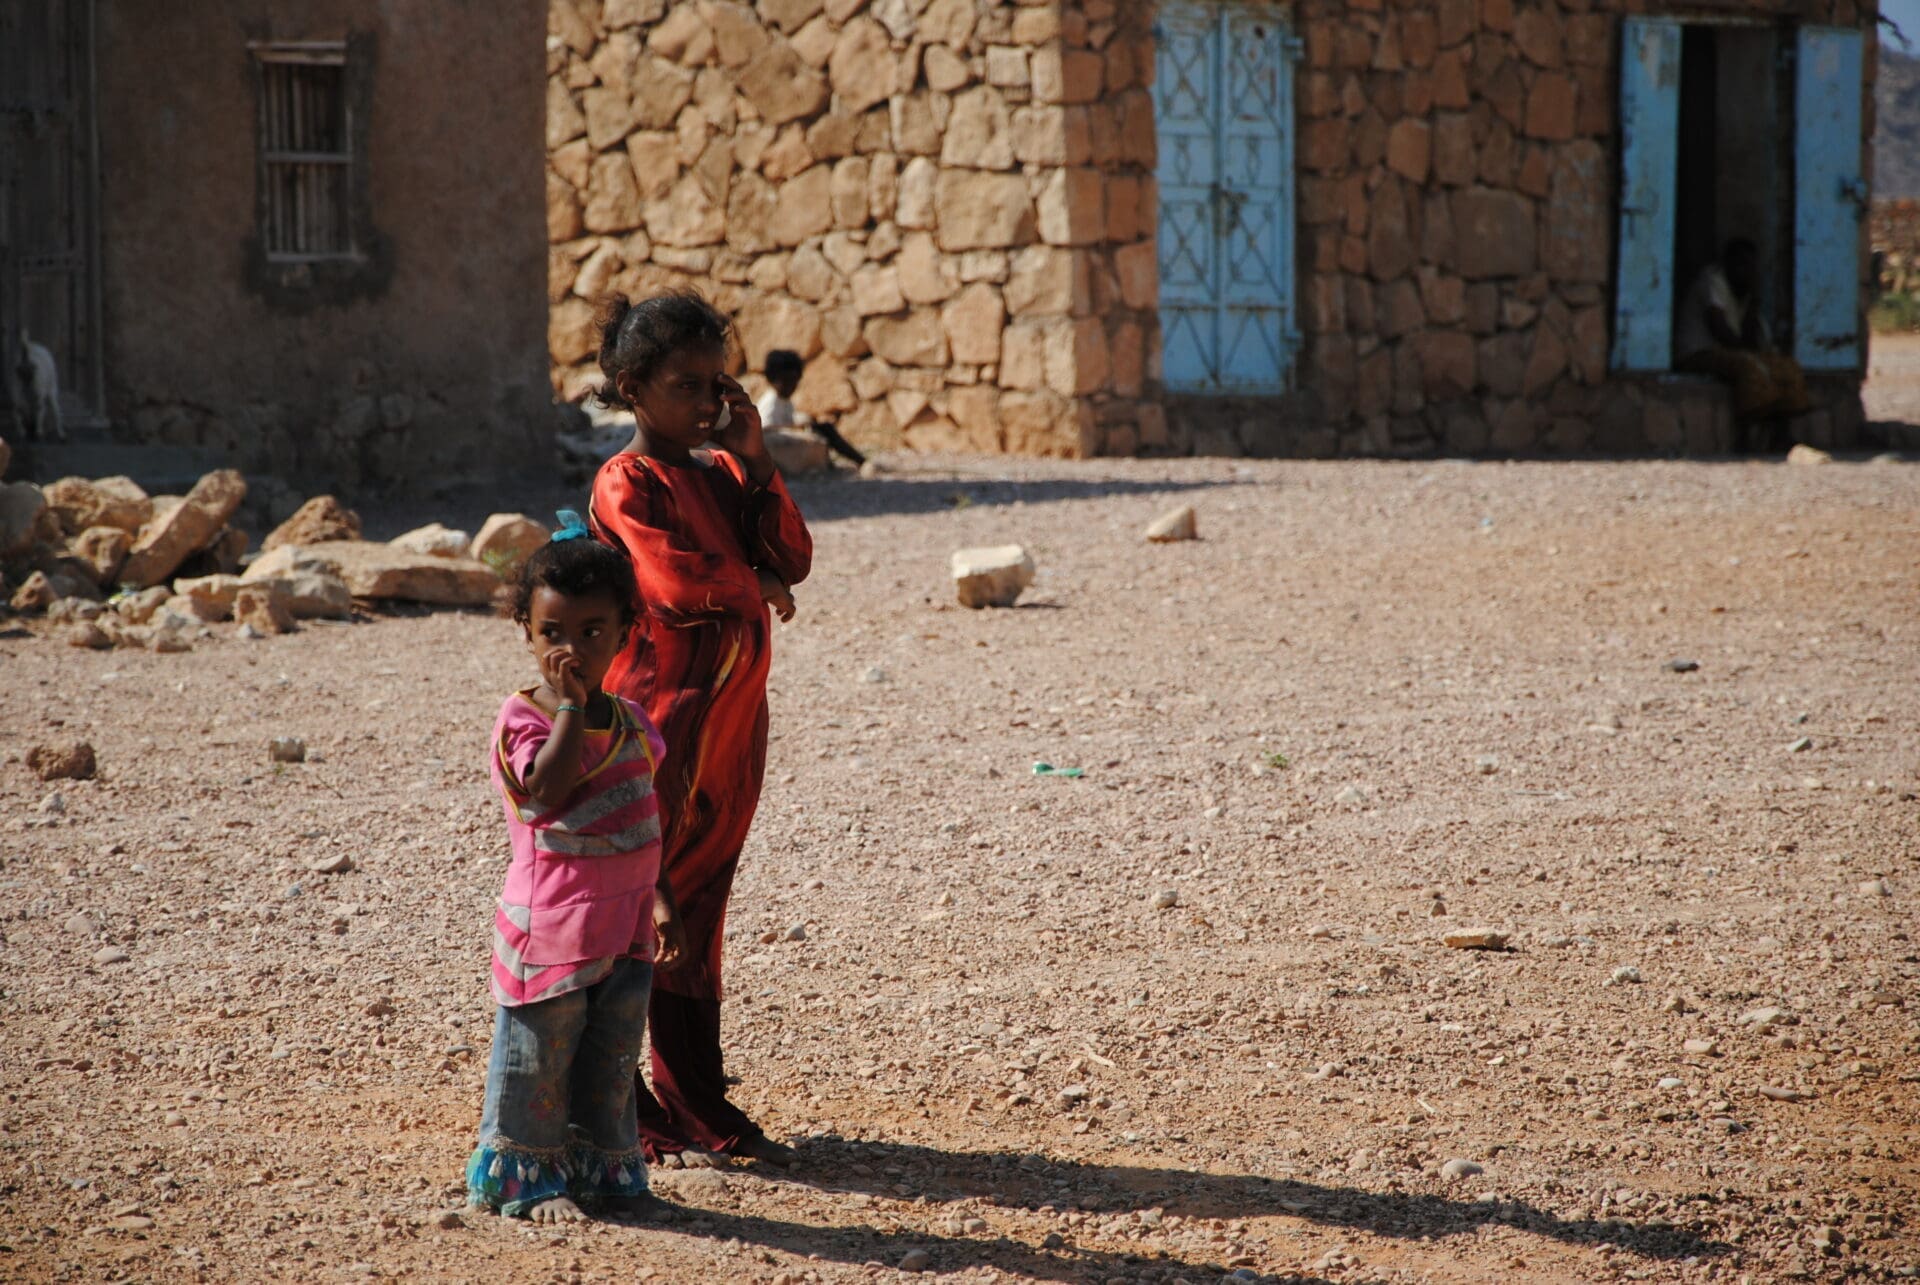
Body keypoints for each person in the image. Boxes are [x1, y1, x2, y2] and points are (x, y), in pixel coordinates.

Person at [586, 293, 813, 1168]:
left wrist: (755, 460)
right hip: (661, 727)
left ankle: (693, 1090)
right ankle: (617, 1096)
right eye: (685, 386)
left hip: (730, 726)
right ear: (631, 385)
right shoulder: (627, 480)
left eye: (717, 385)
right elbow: (675, 584)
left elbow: (791, 554)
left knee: (702, 902)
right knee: (637, 897)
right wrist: (750, 579)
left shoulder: (722, 472)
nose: (707, 404)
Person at [465, 523, 685, 1223]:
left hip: (621, 928)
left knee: (609, 1057)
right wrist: (567, 707)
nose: (572, 650)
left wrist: (662, 898)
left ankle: (601, 1168)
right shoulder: (524, 719)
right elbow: (546, 791)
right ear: (525, 632)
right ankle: (523, 1176)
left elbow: (644, 819)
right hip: (552, 930)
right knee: (538, 1054)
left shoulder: (632, 723)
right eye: (552, 631)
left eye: (593, 632)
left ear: (625, 632)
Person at [1675, 237, 1810, 448]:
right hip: (1699, 352)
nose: (1746, 271)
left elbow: (1749, 339)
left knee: (1786, 367)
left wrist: (1754, 303)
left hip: (1729, 350)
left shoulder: (1743, 292)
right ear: (1728, 263)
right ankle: (1745, 437)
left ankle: (1781, 434)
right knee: (1750, 368)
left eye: (1750, 267)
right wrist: (1754, 357)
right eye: (1741, 265)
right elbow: (1720, 332)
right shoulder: (1711, 283)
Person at [754, 349, 808, 431]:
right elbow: (765, 431)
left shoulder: (787, 402)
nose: (790, 386)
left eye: (794, 381)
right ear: (772, 379)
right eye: (786, 381)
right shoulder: (771, 403)